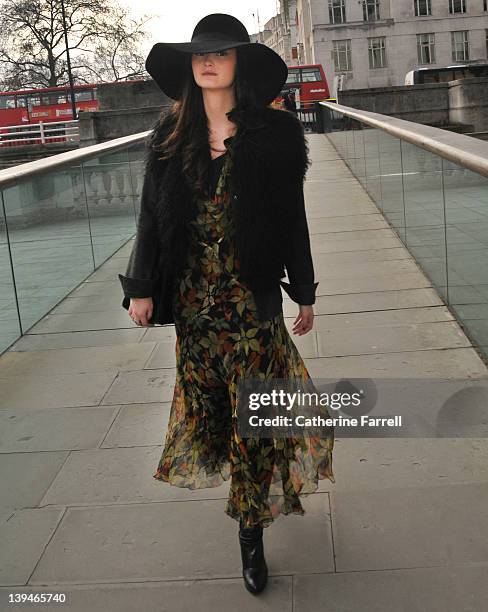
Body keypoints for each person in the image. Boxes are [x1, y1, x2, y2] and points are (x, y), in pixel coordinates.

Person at [118, 13, 335, 596]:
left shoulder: (275, 136)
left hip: (251, 306)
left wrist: (305, 291)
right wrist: (140, 287)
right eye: (198, 56)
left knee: (254, 426)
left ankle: (250, 535)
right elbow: (150, 218)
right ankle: (248, 516)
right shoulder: (168, 136)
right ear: (190, 69)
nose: (207, 63)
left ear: (240, 63)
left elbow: (293, 220)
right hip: (194, 307)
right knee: (214, 417)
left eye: (219, 54)